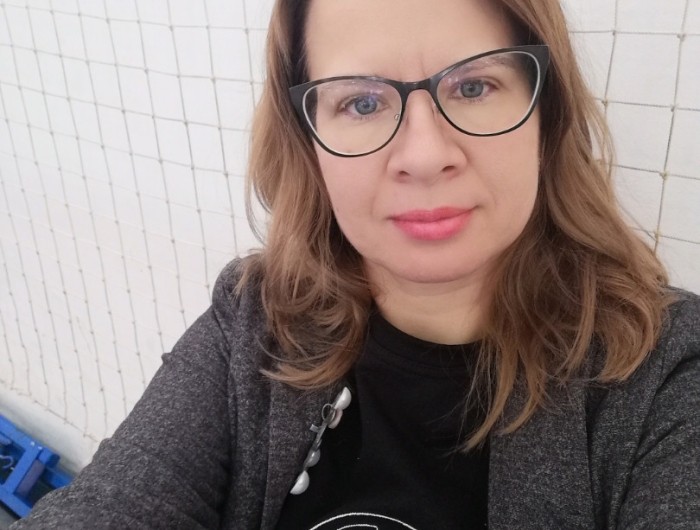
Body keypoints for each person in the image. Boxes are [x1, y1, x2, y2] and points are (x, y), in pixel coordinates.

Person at [12, 0, 700, 528]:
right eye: (361, 102)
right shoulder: (253, 319)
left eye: (474, 87)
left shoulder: (666, 378)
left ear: (545, 113)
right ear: (307, 140)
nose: (425, 155)